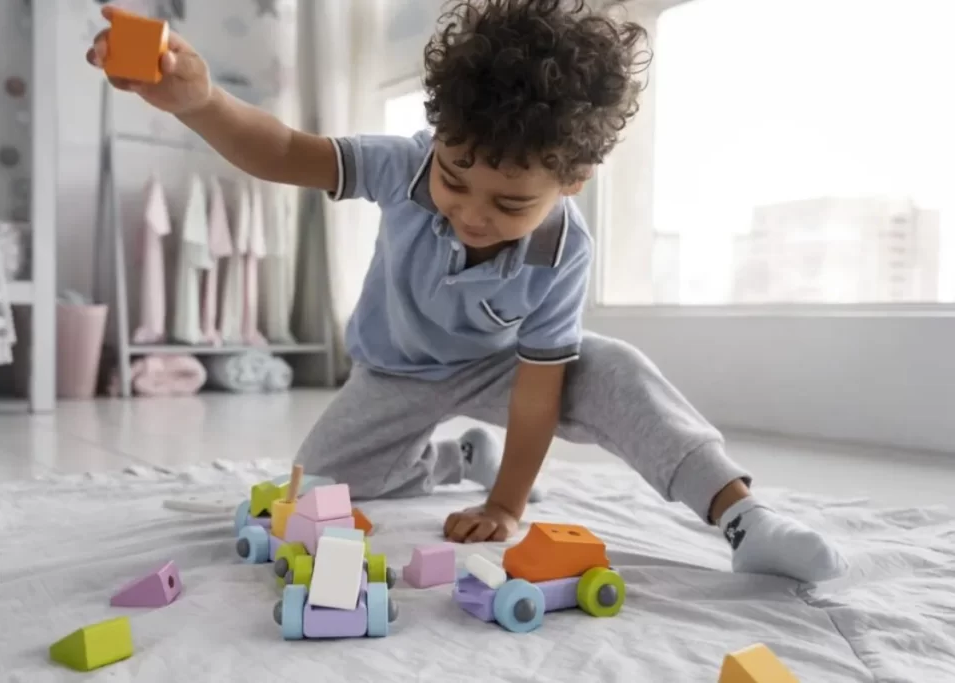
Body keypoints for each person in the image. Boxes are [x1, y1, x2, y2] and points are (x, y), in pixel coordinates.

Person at [87, 0, 847, 582]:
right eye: (454, 181)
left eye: (511, 203)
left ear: (571, 182)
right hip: (393, 371)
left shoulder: (562, 248)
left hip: (501, 368)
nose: (474, 214)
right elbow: (285, 150)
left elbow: (538, 390)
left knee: (614, 367)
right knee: (312, 493)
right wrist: (199, 103)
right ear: (436, 140)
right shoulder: (403, 166)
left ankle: (744, 518)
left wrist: (508, 505)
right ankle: (454, 459)